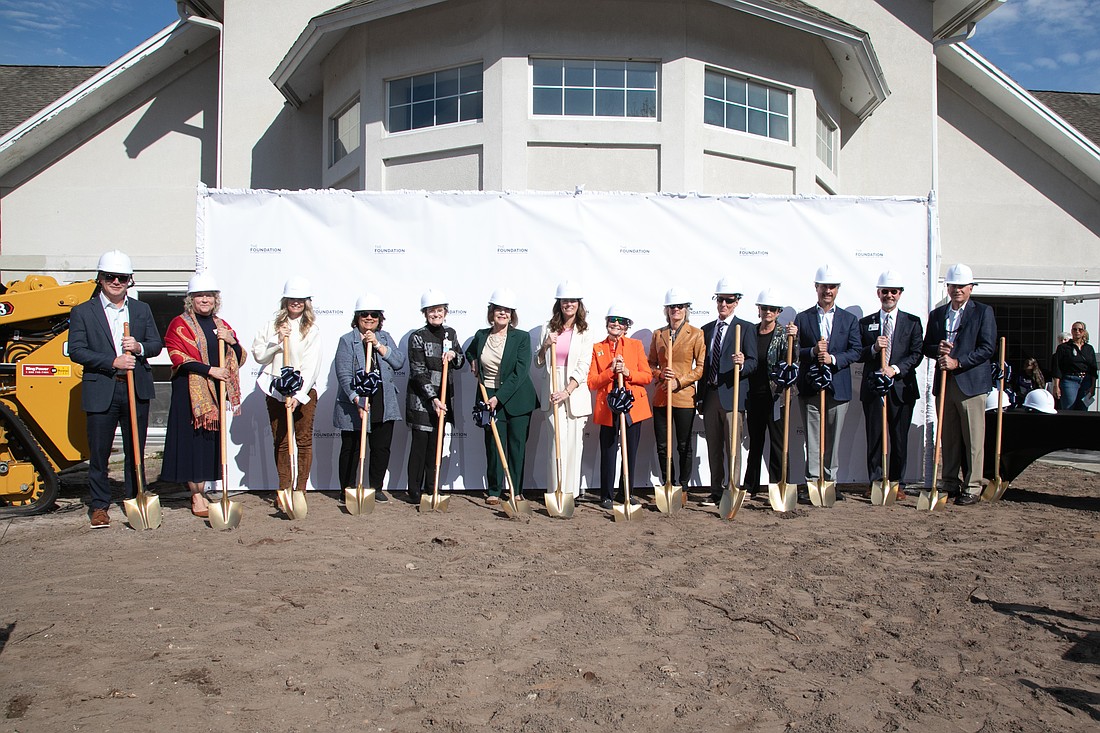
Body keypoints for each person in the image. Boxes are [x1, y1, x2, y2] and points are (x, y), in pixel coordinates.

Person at [69, 250, 164, 529]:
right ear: (100, 279)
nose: (116, 282)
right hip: (102, 388)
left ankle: (136, 497)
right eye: (110, 277)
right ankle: (99, 506)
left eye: (121, 278)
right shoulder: (83, 312)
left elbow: (155, 344)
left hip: (135, 389)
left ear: (129, 281)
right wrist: (112, 361)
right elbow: (76, 351)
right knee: (99, 452)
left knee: (136, 448)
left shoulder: (140, 310)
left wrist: (140, 347)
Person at [161, 272, 244, 518]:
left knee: (208, 443)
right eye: (200, 296)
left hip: (215, 392)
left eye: (209, 295)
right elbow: (178, 356)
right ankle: (195, 494)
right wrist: (210, 370)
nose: (205, 300)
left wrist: (232, 341)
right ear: (191, 299)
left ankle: (204, 488)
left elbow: (237, 358)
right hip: (189, 392)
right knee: (192, 442)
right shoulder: (180, 323)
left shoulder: (222, 325)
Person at [922, 263, 997, 505]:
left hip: (971, 383)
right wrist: (938, 350)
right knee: (950, 436)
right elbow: (927, 347)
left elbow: (987, 348)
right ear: (948, 287)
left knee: (974, 437)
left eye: (962, 286)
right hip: (945, 383)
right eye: (954, 286)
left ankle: (973, 485)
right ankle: (950, 480)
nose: (957, 290)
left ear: (970, 288)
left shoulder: (983, 312)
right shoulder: (938, 314)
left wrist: (958, 362)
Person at [251, 277, 323, 509]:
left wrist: (299, 396)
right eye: (292, 299)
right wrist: (277, 340)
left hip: (303, 391)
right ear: (285, 300)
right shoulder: (272, 326)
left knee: (302, 441)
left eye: (300, 300)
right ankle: (283, 488)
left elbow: (312, 366)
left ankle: (300, 490)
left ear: (306, 302)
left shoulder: (311, 329)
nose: (296, 303)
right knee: (281, 441)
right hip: (276, 390)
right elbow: (259, 356)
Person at [791, 264, 861, 495]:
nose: (827, 291)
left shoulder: (849, 320)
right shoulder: (803, 318)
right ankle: (813, 482)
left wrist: (832, 358)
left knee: (833, 438)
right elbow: (795, 352)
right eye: (823, 287)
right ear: (816, 288)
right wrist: (812, 352)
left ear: (837, 289)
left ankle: (829, 482)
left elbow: (856, 351)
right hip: (811, 387)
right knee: (812, 438)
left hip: (838, 388)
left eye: (831, 287)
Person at [465, 289, 538, 505]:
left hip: (517, 399)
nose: (502, 313)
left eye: (507, 310)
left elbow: (520, 372)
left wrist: (499, 398)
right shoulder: (481, 335)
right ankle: (495, 491)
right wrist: (473, 360)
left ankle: (516, 489)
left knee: (516, 446)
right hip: (488, 396)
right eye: (498, 310)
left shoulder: (522, 337)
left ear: (512, 314)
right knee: (493, 445)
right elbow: (470, 352)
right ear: (492, 312)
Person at [333, 293, 406, 502]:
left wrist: (378, 346)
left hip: (382, 399)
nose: (369, 318)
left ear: (379, 317)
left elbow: (399, 362)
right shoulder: (347, 340)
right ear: (357, 317)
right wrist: (357, 398)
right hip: (356, 401)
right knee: (352, 447)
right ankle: (346, 488)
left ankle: (376, 487)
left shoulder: (384, 338)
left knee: (381, 447)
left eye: (374, 314)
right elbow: (344, 373)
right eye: (364, 314)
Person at [857, 270, 924, 499]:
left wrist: (894, 369)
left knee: (899, 437)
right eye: (885, 291)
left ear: (900, 294)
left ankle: (897, 483)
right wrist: (875, 349)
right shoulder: (867, 323)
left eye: (893, 291)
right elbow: (858, 353)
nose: (889, 295)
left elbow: (916, 354)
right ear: (878, 293)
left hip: (901, 389)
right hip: (874, 389)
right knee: (875, 436)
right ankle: (875, 481)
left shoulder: (913, 323)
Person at [695, 277, 757, 506]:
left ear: (737, 302)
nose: (723, 304)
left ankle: (733, 488)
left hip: (733, 396)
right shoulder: (707, 330)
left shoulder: (747, 328)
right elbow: (703, 365)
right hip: (711, 395)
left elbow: (754, 363)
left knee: (733, 448)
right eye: (720, 299)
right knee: (713, 447)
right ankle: (715, 490)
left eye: (728, 300)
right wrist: (700, 397)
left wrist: (743, 362)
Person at [534, 281, 595, 499]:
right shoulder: (548, 328)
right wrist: (544, 345)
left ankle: (570, 493)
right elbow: (538, 362)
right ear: (559, 304)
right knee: (556, 442)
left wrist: (567, 391)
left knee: (573, 445)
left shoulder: (586, 331)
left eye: (573, 301)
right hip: (552, 389)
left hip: (574, 390)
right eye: (565, 301)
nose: (569, 305)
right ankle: (555, 490)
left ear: (579, 304)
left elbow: (584, 367)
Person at [589, 304, 653, 509]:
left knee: (630, 450)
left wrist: (627, 372)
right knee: (608, 450)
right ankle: (606, 494)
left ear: (626, 326)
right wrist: (610, 372)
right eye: (612, 319)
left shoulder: (635, 346)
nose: (616, 323)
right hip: (609, 406)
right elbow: (592, 382)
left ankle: (626, 491)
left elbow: (647, 376)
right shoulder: (597, 348)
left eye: (621, 321)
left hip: (632, 406)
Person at [405, 289, 464, 503]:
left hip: (444, 398)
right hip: (422, 401)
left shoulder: (451, 334)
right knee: (420, 445)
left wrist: (454, 354)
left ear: (446, 312)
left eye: (439, 310)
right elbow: (418, 371)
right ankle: (414, 492)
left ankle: (432, 488)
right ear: (425, 313)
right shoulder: (417, 337)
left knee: (436, 446)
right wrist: (433, 398)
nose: (436, 314)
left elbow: (460, 362)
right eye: (431, 310)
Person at [648, 287, 704, 488]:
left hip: (683, 396)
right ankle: (667, 482)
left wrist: (679, 381)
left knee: (684, 445)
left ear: (686, 309)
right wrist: (661, 375)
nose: (676, 310)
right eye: (672, 307)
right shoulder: (658, 334)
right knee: (663, 446)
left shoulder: (696, 334)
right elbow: (651, 364)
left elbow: (700, 368)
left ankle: (683, 484)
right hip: (662, 396)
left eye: (680, 306)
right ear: (667, 310)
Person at [744, 289, 788, 497]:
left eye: (772, 309)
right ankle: (750, 487)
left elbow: (793, 362)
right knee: (755, 442)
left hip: (775, 396)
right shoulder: (750, 332)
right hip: (754, 395)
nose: (767, 312)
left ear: (778, 312)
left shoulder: (785, 335)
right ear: (758, 310)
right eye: (764, 308)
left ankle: (777, 486)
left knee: (778, 443)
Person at [1051, 322, 1097, 410]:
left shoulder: (1089, 348)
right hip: (1070, 380)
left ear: (1084, 332)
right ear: (1071, 331)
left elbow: (1093, 368)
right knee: (1068, 407)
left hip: (1085, 381)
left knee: (1083, 409)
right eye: (1075, 329)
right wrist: (1056, 386)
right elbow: (1057, 367)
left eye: (1080, 329)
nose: (1077, 331)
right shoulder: (1063, 348)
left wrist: (1093, 386)